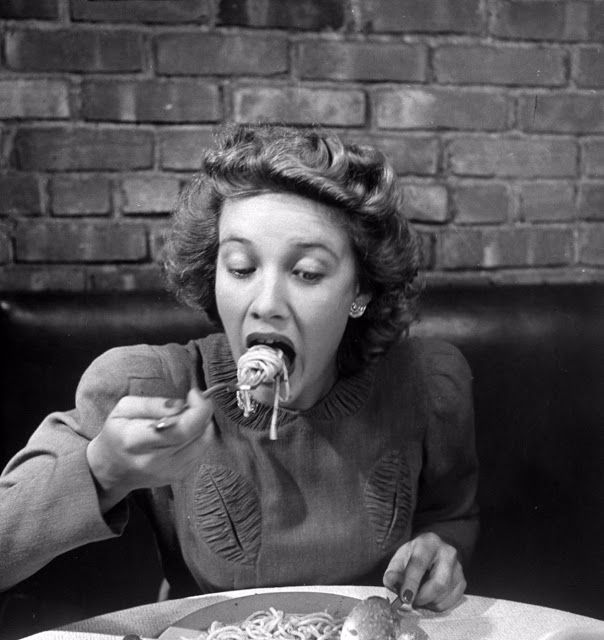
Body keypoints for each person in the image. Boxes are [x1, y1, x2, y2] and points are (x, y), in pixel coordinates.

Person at [0, 124, 478, 612]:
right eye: (241, 268)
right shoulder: (146, 385)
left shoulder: (427, 384)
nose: (266, 303)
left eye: (307, 272)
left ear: (361, 291)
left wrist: (439, 551)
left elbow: (451, 517)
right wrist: (101, 471)